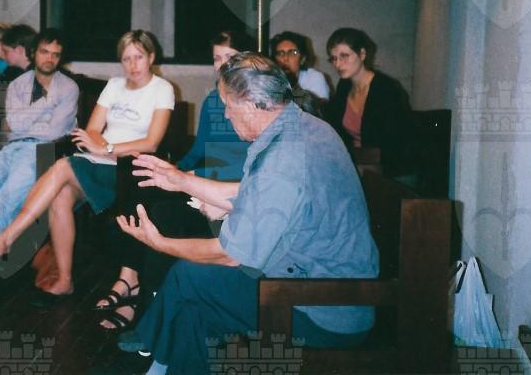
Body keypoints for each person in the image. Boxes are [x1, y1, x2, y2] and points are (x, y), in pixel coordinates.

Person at [119, 53, 378, 373]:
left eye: (228, 105)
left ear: (252, 103)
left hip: (323, 310)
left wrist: (159, 243)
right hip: (332, 292)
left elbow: (229, 255)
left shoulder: (284, 156)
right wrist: (180, 180)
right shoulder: (302, 127)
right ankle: (159, 362)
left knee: (191, 276)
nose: (226, 114)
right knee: (197, 307)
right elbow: (255, 193)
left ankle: (152, 348)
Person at [0, 30, 174, 305]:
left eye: (139, 57)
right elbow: (92, 129)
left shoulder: (162, 89)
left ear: (151, 57)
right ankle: (64, 281)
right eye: (126, 58)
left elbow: (151, 143)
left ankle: (7, 238)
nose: (132, 65)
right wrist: (100, 148)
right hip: (98, 161)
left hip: (129, 169)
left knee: (62, 167)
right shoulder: (115, 85)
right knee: (60, 196)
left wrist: (107, 149)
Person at [95, 30, 253, 332]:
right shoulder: (213, 99)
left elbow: (244, 164)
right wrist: (173, 168)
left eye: (229, 57)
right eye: (216, 58)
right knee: (141, 177)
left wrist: (187, 177)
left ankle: (140, 296)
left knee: (161, 210)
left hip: (222, 187)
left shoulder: (253, 102)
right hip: (203, 176)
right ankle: (129, 277)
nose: (222, 65)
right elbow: (199, 150)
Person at [0, 27, 78, 251]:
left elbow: (54, 132)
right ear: (33, 53)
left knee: (5, 200)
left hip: (42, 151)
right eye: (44, 52)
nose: (49, 59)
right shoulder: (18, 84)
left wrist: (27, 117)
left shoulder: (68, 87)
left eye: (55, 54)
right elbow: (15, 125)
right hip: (10, 148)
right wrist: (48, 104)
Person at [324, 27, 414, 177]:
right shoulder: (344, 86)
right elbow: (334, 127)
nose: (338, 64)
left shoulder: (386, 88)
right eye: (334, 58)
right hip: (359, 162)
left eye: (344, 56)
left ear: (362, 54)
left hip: (391, 168)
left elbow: (393, 143)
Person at [270, 30, 331, 100]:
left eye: (293, 53)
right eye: (280, 53)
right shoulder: (269, 79)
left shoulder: (314, 78)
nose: (285, 58)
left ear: (303, 59)